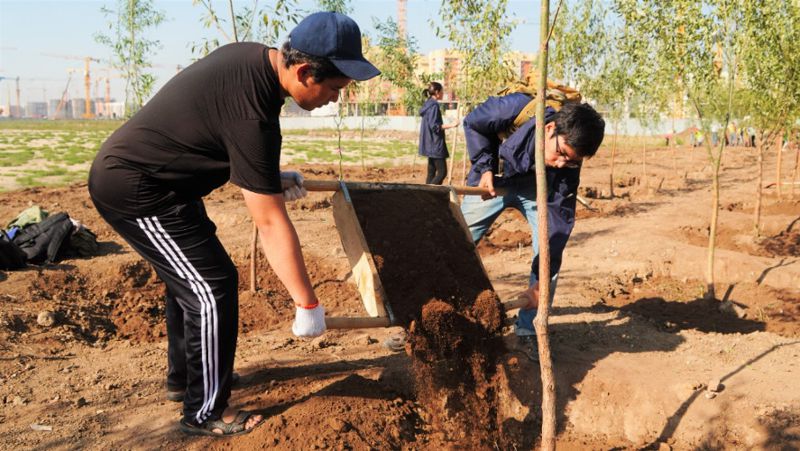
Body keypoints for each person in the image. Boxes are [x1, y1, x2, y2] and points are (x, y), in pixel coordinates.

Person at [87, 12, 380, 437]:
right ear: (303, 71)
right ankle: (204, 410)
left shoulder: (252, 63)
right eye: (334, 88)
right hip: (136, 188)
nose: (335, 99)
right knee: (209, 285)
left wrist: (267, 177)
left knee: (193, 279)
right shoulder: (253, 111)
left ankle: (187, 378)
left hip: (167, 184)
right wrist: (308, 304)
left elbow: (212, 134)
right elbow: (269, 222)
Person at [459, 94, 604, 351]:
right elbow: (473, 123)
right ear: (549, 129)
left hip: (537, 189)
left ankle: (529, 328)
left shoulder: (566, 167)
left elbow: (558, 225)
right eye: (560, 153)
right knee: (455, 242)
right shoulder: (513, 108)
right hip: (494, 180)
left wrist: (542, 285)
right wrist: (485, 168)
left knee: (548, 254)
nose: (562, 163)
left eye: (572, 160)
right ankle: (428, 317)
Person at [418, 82, 458, 185]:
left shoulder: (428, 104)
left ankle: (427, 198)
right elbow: (435, 127)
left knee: (431, 173)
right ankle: (430, 194)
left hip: (429, 143)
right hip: (435, 144)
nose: (442, 93)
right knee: (442, 172)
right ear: (437, 92)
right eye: (442, 91)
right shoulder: (434, 106)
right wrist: (452, 125)